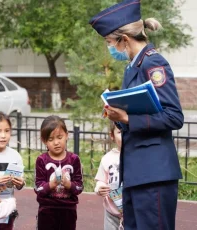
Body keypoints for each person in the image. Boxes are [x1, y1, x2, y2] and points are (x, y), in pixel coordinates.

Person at [89, 1, 184, 229]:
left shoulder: (153, 63)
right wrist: (117, 115)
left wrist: (127, 118)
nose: (110, 48)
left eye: (110, 42)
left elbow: (174, 116)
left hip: (154, 174)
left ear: (124, 39)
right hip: (136, 174)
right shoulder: (132, 67)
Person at [35, 115, 84, 230]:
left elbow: (79, 187)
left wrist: (69, 185)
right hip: (47, 210)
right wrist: (51, 185)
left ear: (67, 135)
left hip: (68, 210)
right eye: (51, 139)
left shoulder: (74, 159)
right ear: (44, 141)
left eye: (59, 137)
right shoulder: (41, 160)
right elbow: (38, 189)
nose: (56, 142)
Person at [94, 122, 123, 230]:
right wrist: (99, 188)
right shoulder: (107, 158)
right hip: (112, 213)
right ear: (112, 135)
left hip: (133, 212)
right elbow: (101, 180)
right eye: (120, 132)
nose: (125, 135)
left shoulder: (137, 156)